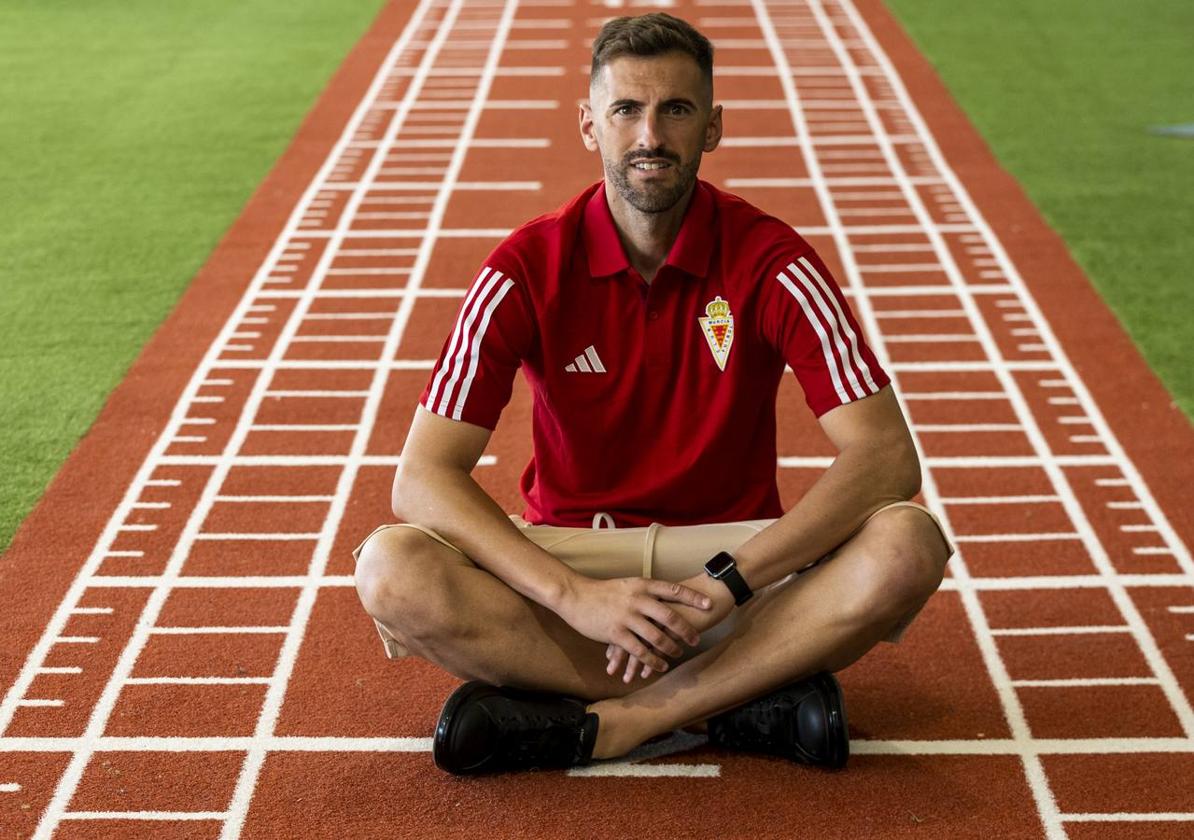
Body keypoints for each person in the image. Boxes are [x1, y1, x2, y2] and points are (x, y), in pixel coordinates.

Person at [353, 12, 952, 775]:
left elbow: (886, 457)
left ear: (712, 127)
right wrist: (575, 597)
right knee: (391, 568)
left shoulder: (773, 259)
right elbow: (422, 478)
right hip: (576, 552)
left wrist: (730, 583)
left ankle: (625, 717)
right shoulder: (523, 267)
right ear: (589, 124)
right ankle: (739, 695)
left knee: (908, 544)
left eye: (677, 109)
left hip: (728, 563)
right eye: (626, 110)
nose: (650, 136)